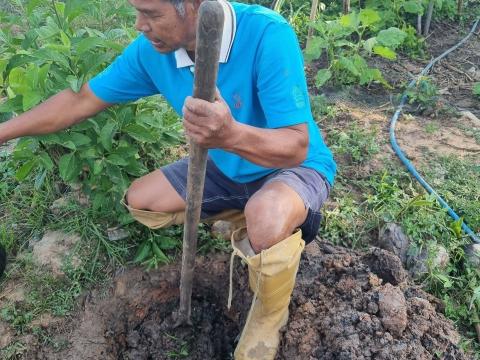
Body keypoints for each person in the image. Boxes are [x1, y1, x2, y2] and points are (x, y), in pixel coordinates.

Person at [0, 0, 336, 358]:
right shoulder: (152, 53)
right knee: (143, 200)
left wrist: (229, 135)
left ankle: (270, 312)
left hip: (291, 167)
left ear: (194, 6)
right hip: (223, 165)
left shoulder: (267, 34)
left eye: (152, 14)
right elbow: (79, 101)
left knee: (266, 216)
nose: (138, 25)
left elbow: (295, 146)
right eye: (136, 11)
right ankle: (247, 217)